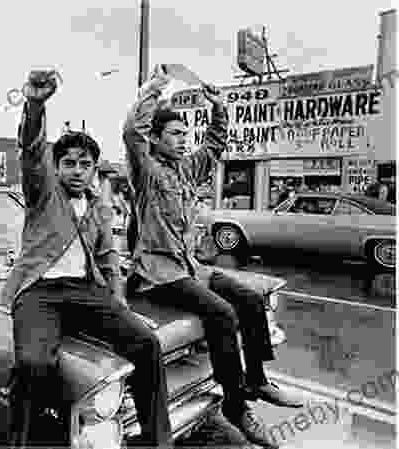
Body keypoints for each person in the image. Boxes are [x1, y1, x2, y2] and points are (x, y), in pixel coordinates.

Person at [123, 64, 302, 447]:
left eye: (186, 134)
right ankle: (236, 408)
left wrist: (218, 107)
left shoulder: (187, 169)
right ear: (155, 139)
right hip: (159, 273)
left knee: (251, 300)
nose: (184, 140)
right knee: (221, 314)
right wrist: (154, 88)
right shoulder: (147, 171)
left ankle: (256, 380)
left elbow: (215, 144)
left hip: (190, 267)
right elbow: (131, 132)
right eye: (175, 134)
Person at [2, 70, 171, 449]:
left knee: (146, 343)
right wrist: (35, 104)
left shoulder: (99, 205)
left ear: (95, 169)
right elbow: (30, 151)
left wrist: (120, 302)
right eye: (69, 163)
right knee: (33, 365)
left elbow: (109, 259)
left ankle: (156, 440)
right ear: (56, 166)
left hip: (83, 290)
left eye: (85, 164)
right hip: (38, 293)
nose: (77, 171)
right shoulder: (43, 193)